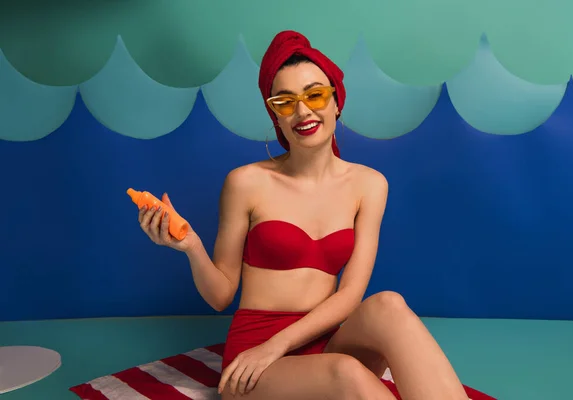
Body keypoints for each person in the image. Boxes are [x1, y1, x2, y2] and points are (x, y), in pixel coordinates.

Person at [137, 30, 471, 400]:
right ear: (275, 115)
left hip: (324, 339)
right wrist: (192, 247)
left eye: (315, 95)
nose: (303, 112)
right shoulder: (246, 182)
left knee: (388, 304)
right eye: (285, 102)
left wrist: (279, 344)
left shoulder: (370, 185)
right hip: (255, 357)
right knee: (347, 373)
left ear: (336, 103)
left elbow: (350, 295)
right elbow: (221, 296)